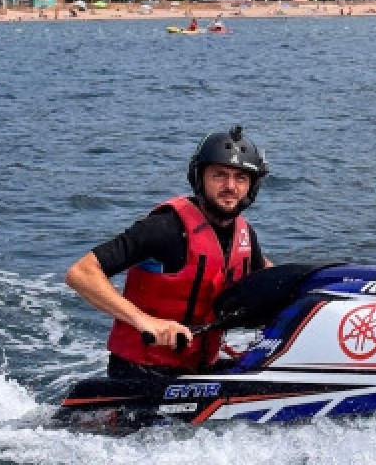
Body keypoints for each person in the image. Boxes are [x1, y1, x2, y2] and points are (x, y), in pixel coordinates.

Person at [65, 126, 270, 377]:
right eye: (219, 175)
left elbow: (267, 278)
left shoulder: (245, 236)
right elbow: (82, 273)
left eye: (241, 178)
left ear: (251, 186)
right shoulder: (165, 228)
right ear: (200, 178)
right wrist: (147, 323)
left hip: (199, 370)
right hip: (140, 373)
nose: (230, 186)